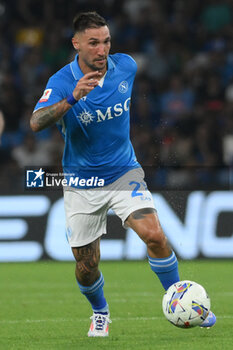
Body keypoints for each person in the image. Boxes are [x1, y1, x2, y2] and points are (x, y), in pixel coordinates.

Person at [30, 11, 216, 337]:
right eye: (93, 43)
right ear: (76, 44)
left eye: (106, 42)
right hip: (81, 183)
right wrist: (72, 99)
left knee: (155, 236)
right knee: (87, 267)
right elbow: (36, 122)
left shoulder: (126, 66)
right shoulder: (61, 82)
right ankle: (100, 311)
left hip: (123, 173)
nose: (102, 50)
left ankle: (180, 297)